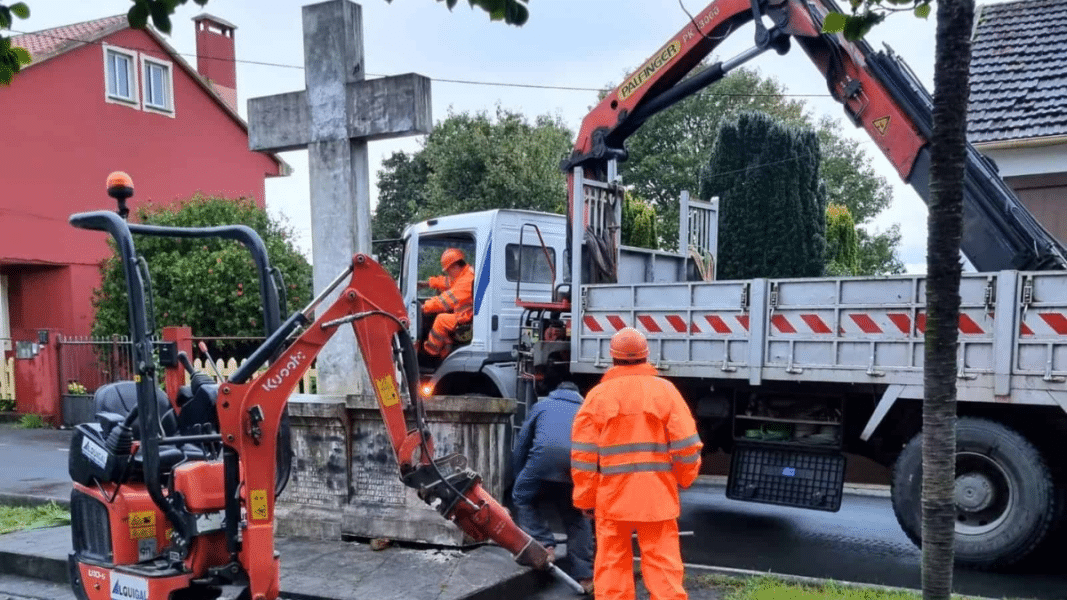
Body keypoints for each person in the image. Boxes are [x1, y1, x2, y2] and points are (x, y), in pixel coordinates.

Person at [570, 327, 703, 600]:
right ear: (646, 355)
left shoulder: (597, 397)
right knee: (663, 566)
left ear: (612, 357)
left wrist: (586, 498)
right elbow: (687, 446)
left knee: (612, 566)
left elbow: (583, 456)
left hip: (612, 498)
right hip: (657, 496)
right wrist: (683, 478)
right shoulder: (666, 392)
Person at [511, 381, 595, 594]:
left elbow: (523, 442)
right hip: (577, 464)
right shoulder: (587, 409)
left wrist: (518, 474)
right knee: (577, 515)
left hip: (541, 461)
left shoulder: (542, 405)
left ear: (555, 391)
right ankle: (585, 576)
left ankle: (544, 546)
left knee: (522, 496)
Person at [421, 248, 475, 359]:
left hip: (466, 319)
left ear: (454, 266)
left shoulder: (466, 281)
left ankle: (430, 353)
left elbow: (444, 302)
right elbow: (447, 282)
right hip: (466, 315)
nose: (447, 273)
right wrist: (429, 283)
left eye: (448, 270)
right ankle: (447, 344)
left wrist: (424, 307)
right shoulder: (464, 274)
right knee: (443, 319)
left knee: (441, 319)